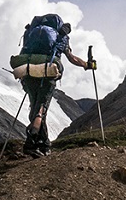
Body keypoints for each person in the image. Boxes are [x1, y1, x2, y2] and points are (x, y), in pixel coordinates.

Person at [21, 21, 90, 157]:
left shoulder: (30, 33)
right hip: (47, 75)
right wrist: (86, 65)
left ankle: (44, 144)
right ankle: (30, 144)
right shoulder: (61, 37)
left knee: (34, 108)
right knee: (40, 110)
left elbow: (23, 53)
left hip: (28, 74)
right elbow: (72, 58)